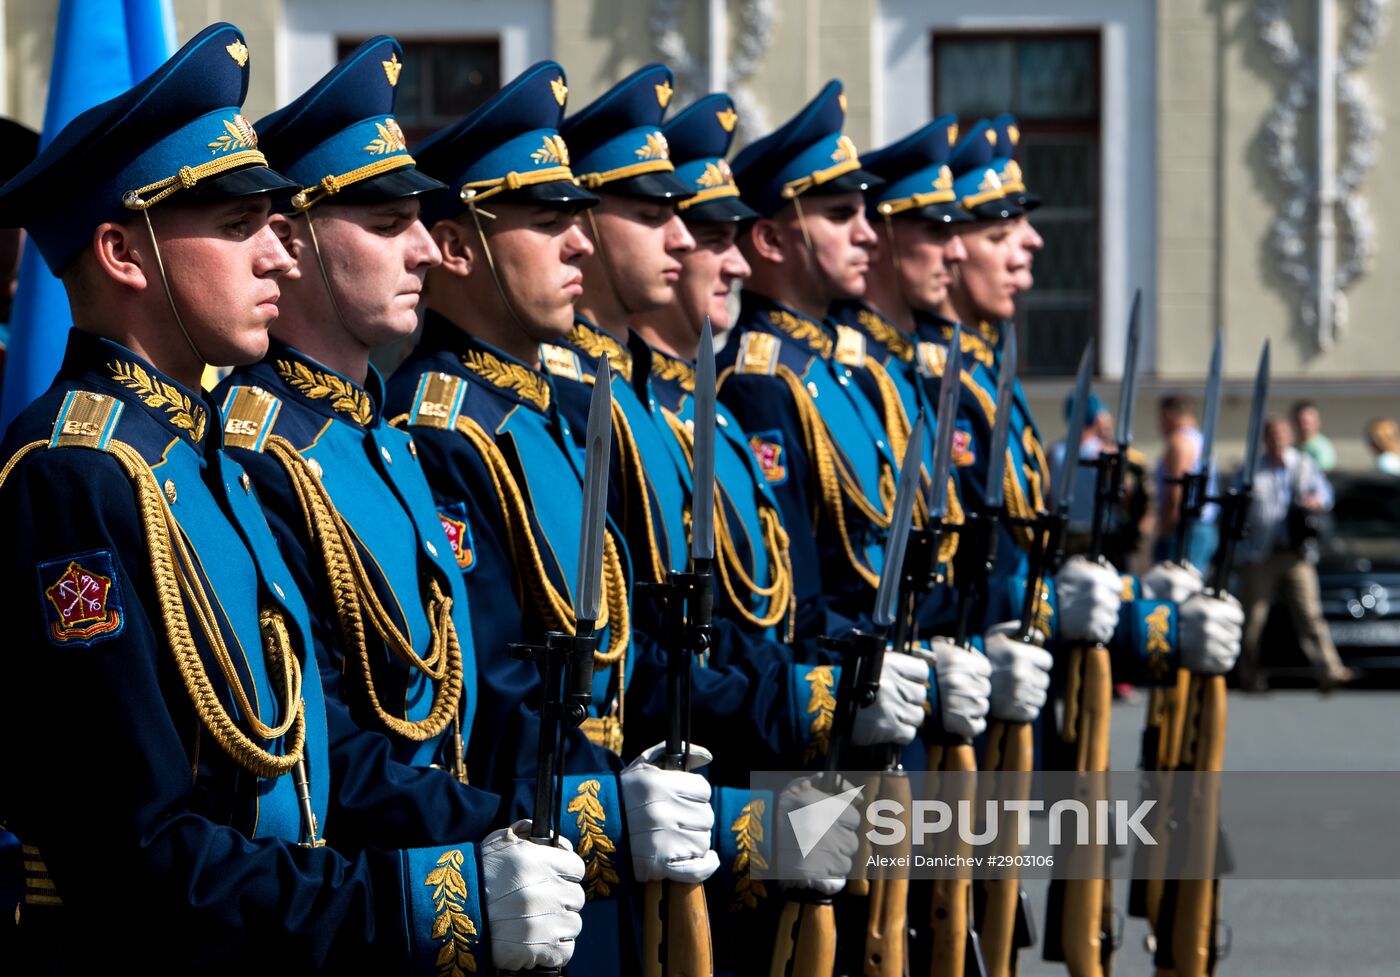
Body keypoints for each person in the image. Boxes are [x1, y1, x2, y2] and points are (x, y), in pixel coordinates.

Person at [0, 24, 584, 974]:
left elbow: (318, 753)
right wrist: (422, 904)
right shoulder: (77, 476)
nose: (277, 256)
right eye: (238, 229)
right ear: (121, 251)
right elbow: (138, 852)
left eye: (275, 226)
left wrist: (502, 837)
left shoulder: (196, 454)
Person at [385, 61, 720, 974]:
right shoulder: (440, 431)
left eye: (581, 217)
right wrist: (615, 815)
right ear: (457, 248)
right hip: (526, 872)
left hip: (597, 854)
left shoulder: (546, 418)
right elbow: (494, 708)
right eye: (546, 220)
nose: (580, 244)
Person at [1236, 417, 1354, 691]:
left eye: (1282, 435)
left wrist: (1316, 501)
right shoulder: (1252, 469)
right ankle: (1249, 676)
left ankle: (1329, 671)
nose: (1278, 441)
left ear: (1289, 437)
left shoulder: (1302, 465)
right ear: (1265, 439)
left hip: (1296, 553)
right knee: (1253, 618)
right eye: (1272, 436)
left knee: (1310, 614)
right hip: (1260, 555)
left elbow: (1325, 493)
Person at [1154, 393, 1219, 570]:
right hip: (1203, 527)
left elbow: (1176, 492)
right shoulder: (1200, 440)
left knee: (1174, 587)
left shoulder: (1179, 442)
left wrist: (1163, 530)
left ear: (1169, 414)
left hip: (1185, 529)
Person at [1292, 399, 1336, 472]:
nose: (1304, 427)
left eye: (1307, 422)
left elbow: (1323, 473)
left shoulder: (1322, 448)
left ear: (1317, 422)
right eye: (1301, 421)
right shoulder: (1292, 447)